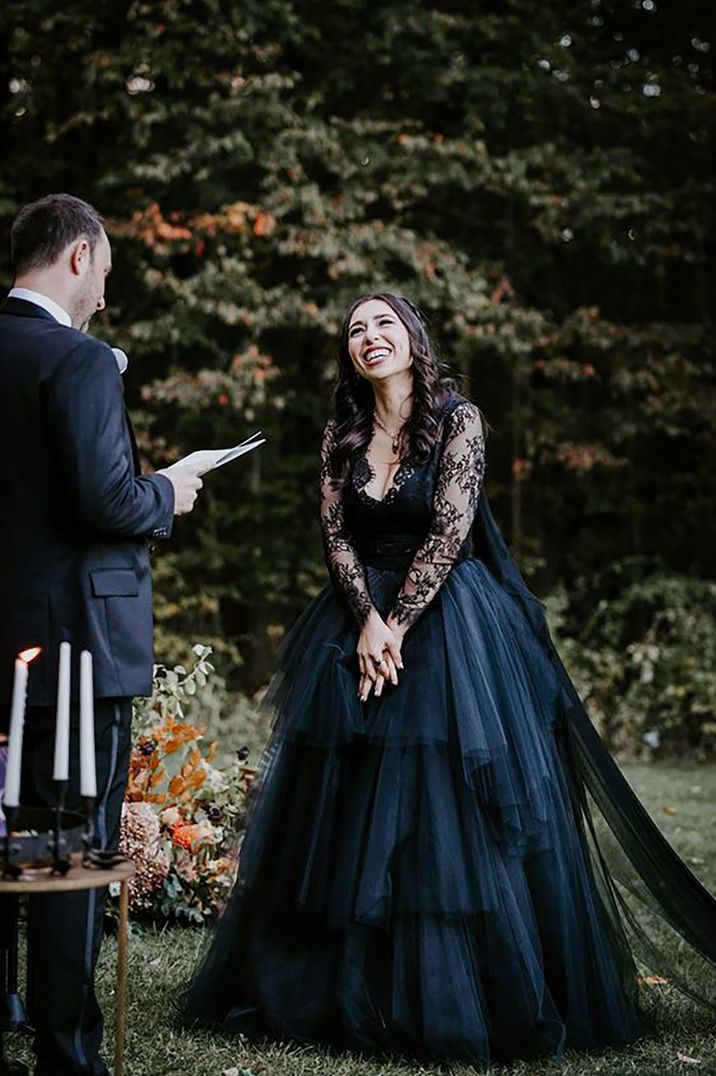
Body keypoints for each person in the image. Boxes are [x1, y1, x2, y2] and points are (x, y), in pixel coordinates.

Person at [181, 292, 716, 1064]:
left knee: (444, 809)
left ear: (412, 339)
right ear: (349, 354)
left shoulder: (458, 419)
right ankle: (338, 989)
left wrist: (394, 625)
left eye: (384, 324)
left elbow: (450, 529)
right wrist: (366, 617)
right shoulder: (342, 432)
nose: (370, 337)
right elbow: (334, 536)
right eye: (357, 329)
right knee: (347, 804)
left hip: (447, 623)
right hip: (354, 619)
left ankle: (460, 989)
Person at [0, 193, 204, 1076]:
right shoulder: (79, 362)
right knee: (71, 849)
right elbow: (106, 501)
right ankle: (66, 1050)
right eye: (107, 275)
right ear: (79, 257)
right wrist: (169, 490)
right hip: (75, 652)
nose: (106, 298)